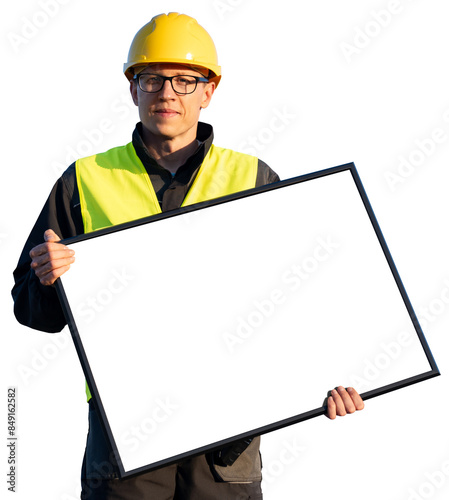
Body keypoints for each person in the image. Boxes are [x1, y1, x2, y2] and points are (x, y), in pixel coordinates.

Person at [12, 12, 364, 500]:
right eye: (152, 78)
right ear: (132, 88)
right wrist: (46, 278)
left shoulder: (254, 178)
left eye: (185, 79)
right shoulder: (84, 180)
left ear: (209, 90)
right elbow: (32, 312)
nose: (167, 93)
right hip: (122, 439)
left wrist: (329, 378)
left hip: (230, 436)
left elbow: (302, 298)